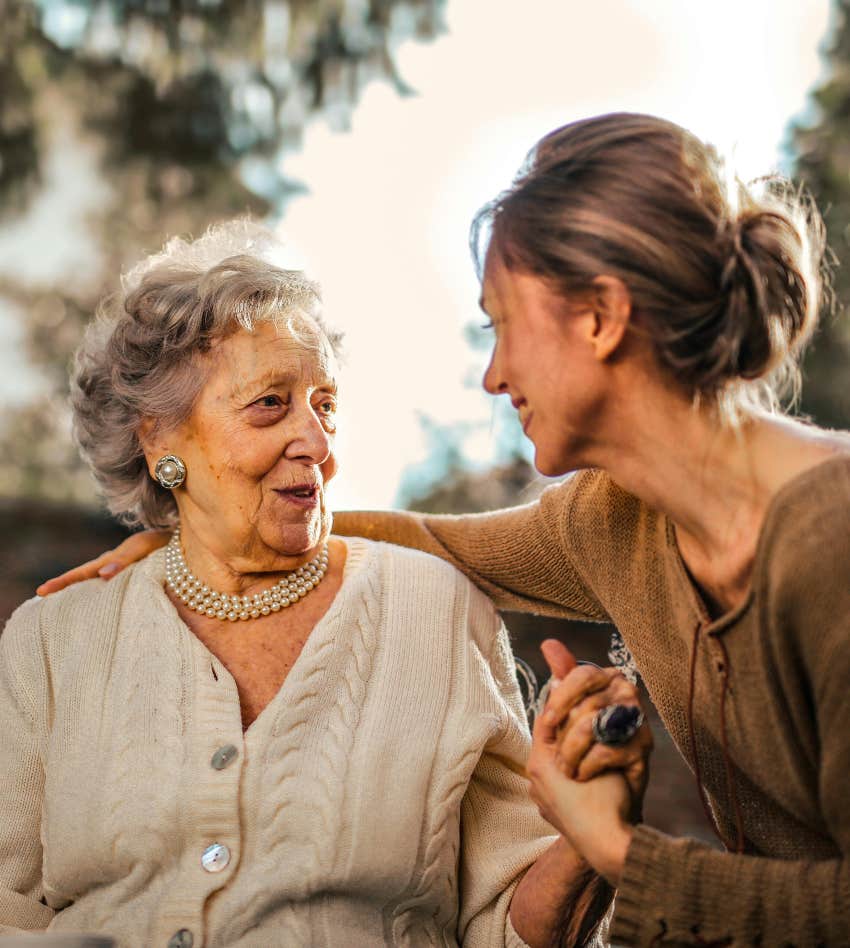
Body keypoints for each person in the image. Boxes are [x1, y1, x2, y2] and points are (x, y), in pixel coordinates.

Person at [53, 112, 850, 946]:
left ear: (601, 318)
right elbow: (437, 541)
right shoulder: (614, 521)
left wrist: (618, 849)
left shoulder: (829, 538)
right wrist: (206, 529)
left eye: (502, 323)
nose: (494, 374)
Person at [2, 221, 628, 947]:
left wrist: (590, 843)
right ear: (159, 439)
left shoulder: (436, 612)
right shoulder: (53, 641)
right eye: (270, 403)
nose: (320, 443)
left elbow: (504, 927)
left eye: (324, 404)